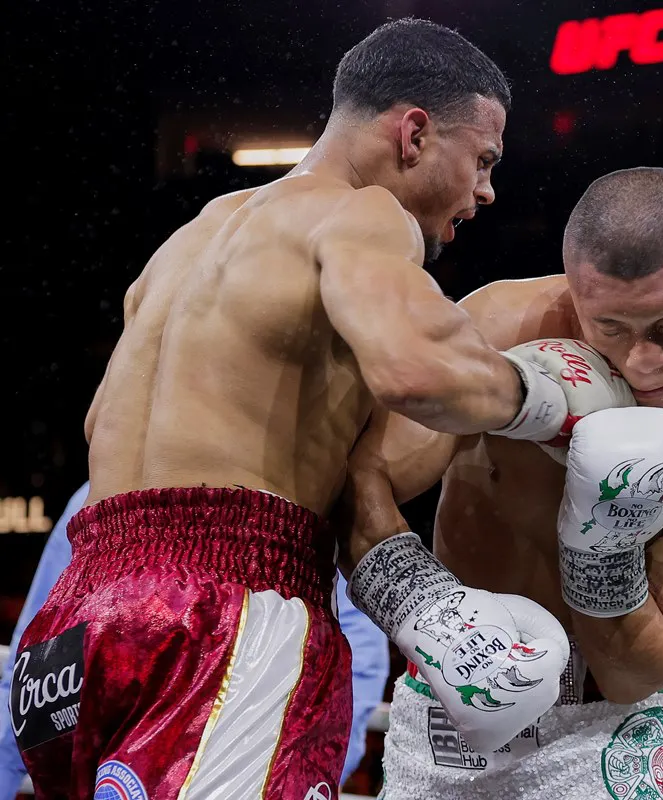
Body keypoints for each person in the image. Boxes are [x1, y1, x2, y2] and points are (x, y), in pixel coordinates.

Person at [10, 19, 595, 797]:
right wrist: (555, 403)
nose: (487, 191)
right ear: (414, 133)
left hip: (73, 625)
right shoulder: (360, 215)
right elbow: (417, 370)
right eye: (482, 160)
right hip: (225, 609)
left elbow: (351, 459)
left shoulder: (190, 240)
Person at [338, 166, 663, 799]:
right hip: (454, 698)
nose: (643, 362)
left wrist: (603, 541)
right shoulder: (503, 326)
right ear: (575, 294)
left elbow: (631, 674)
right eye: (610, 329)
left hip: (615, 732)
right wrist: (423, 605)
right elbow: (364, 475)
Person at [0, 482, 391, 799]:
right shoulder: (300, 481)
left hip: (87, 581)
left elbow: (33, 649)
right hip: (234, 557)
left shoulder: (94, 478)